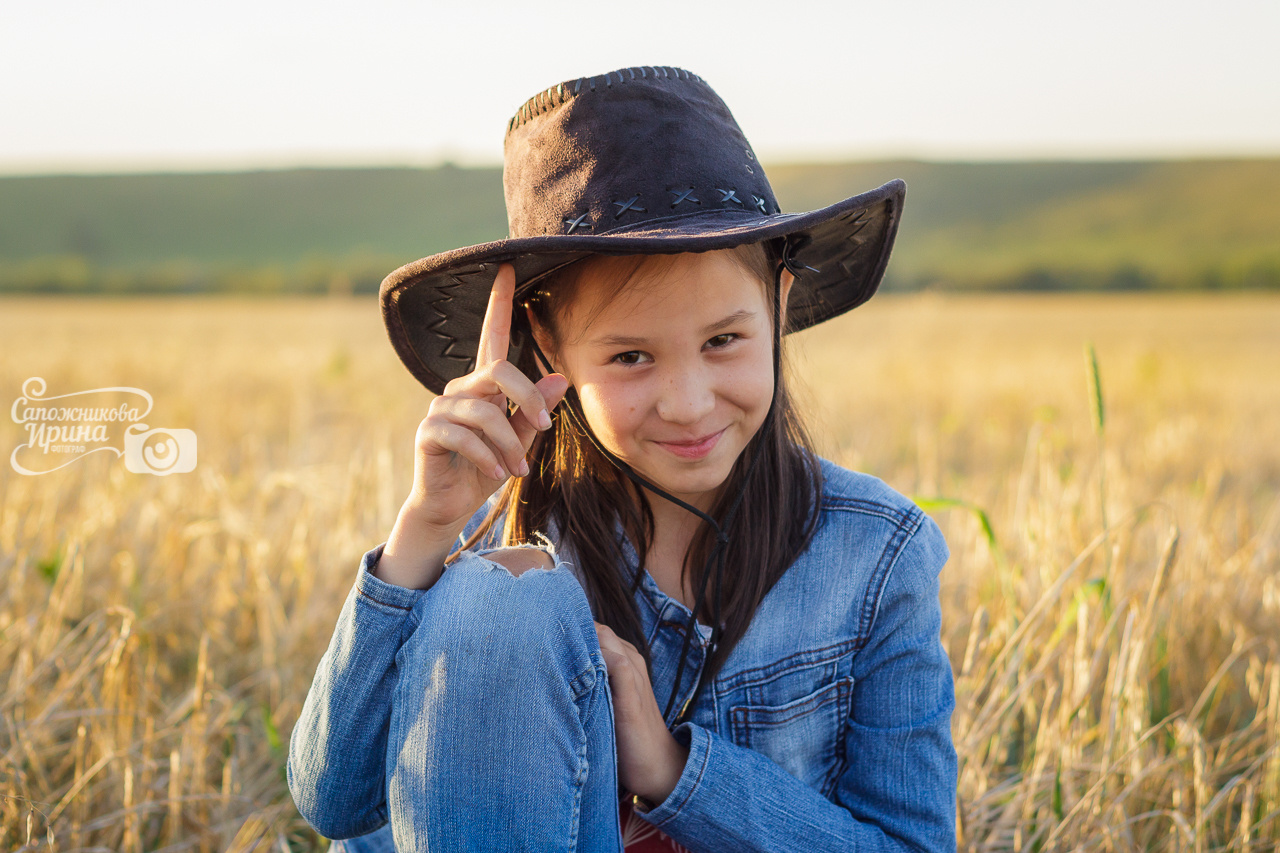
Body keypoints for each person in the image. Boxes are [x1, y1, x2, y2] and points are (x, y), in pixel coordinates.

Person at [288, 65, 957, 852]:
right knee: (497, 603)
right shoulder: (478, 540)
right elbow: (335, 804)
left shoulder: (875, 555)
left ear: (777, 306)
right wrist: (423, 531)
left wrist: (676, 771)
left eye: (723, 341)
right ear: (545, 345)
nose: (688, 400)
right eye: (632, 356)